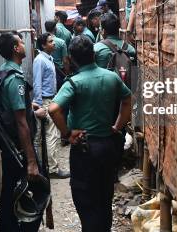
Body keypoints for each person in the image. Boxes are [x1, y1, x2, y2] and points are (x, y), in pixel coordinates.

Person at [48, 36, 132, 232]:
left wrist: (67, 133)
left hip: (85, 148)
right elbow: (127, 99)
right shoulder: (111, 77)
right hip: (109, 146)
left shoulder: (74, 83)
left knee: (86, 198)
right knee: (105, 195)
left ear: (72, 58)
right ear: (93, 54)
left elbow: (53, 109)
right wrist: (118, 126)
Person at [0, 32, 43, 232]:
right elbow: (21, 122)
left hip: (10, 145)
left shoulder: (3, 71)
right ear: (16, 49)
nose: (24, 44)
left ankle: (7, 227)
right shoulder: (14, 79)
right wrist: (31, 161)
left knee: (9, 188)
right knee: (38, 189)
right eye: (21, 42)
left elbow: (13, 107)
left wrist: (30, 107)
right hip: (19, 147)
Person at [32, 33, 70, 179]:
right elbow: (37, 83)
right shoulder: (40, 60)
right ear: (43, 45)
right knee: (51, 135)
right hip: (45, 101)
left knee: (48, 135)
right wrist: (39, 105)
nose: (54, 43)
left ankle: (47, 167)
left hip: (50, 99)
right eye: (50, 42)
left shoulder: (48, 58)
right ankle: (52, 169)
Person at [44, 20, 70, 88]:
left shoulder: (41, 41)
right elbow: (65, 61)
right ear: (55, 28)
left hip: (45, 70)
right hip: (59, 71)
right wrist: (67, 73)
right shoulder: (61, 42)